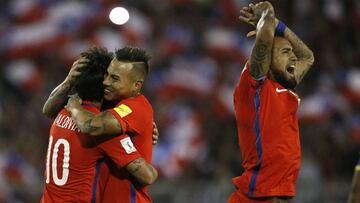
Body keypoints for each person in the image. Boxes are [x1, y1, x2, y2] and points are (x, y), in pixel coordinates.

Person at [40, 47, 157, 203]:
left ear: (136, 85)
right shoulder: (105, 113)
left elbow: (92, 125)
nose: (106, 81)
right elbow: (48, 110)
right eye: (106, 75)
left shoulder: (68, 112)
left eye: (114, 78)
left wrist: (73, 105)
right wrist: (68, 82)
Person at [228, 2, 314, 203]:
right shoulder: (254, 87)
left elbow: (308, 57)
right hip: (254, 198)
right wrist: (267, 14)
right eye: (285, 52)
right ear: (267, 58)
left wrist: (277, 24)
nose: (293, 57)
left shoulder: (285, 89)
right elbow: (265, 36)